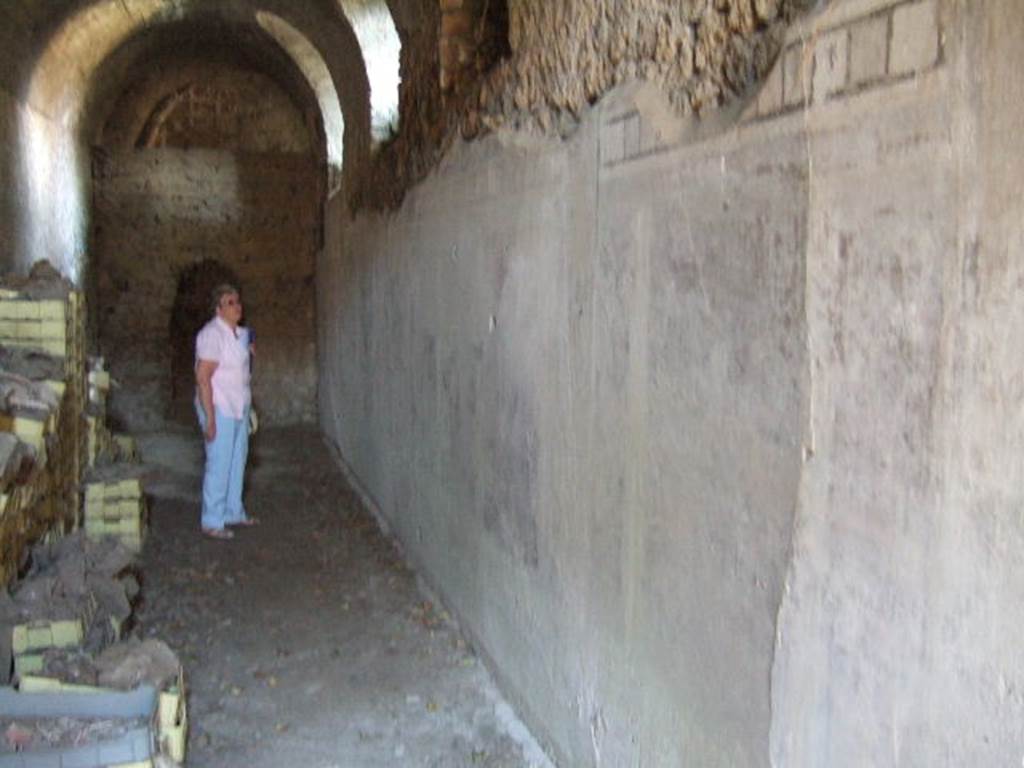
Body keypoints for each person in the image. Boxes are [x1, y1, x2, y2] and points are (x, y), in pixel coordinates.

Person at [194, 284, 257, 540]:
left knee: (236, 460)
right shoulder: (212, 335)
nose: (237, 306)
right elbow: (203, 377)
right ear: (218, 309)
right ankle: (212, 520)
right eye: (230, 302)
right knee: (219, 462)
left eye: (238, 301)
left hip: (238, 405)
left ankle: (233, 511)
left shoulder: (240, 334)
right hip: (218, 405)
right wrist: (209, 417)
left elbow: (243, 371)